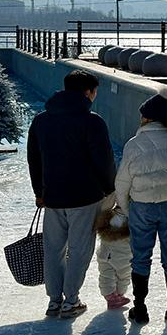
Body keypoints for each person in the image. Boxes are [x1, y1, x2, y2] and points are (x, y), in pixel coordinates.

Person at [27, 69, 117, 319]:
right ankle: (71, 300)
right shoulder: (92, 121)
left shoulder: (41, 120)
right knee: (80, 249)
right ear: (88, 92)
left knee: (53, 248)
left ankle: (54, 300)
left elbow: (34, 159)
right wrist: (110, 188)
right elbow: (104, 160)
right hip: (84, 196)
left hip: (52, 195)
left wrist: (39, 191)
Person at [115, 94, 167, 323]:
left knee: (140, 256)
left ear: (147, 118)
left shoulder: (135, 144)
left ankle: (140, 307)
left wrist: (126, 208)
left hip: (142, 205)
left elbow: (122, 182)